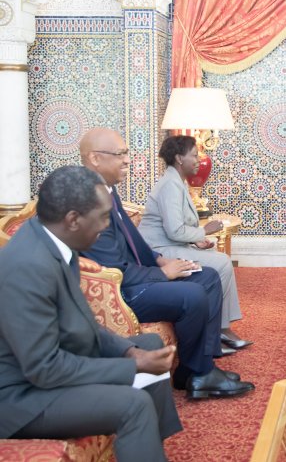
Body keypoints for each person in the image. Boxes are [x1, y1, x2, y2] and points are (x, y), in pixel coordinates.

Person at [0, 166, 181, 461]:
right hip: (20, 398)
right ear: (73, 220)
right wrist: (132, 366)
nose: (107, 225)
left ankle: (148, 448)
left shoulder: (57, 243)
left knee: (149, 344)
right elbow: (44, 368)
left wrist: (131, 353)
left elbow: (84, 321)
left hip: (52, 366)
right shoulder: (27, 268)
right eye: (103, 216)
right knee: (133, 405)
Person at [79, 128, 253, 398]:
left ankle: (195, 370)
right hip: (124, 290)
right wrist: (162, 274)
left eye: (127, 153)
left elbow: (134, 240)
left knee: (207, 277)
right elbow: (115, 269)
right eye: (120, 154)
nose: (127, 160)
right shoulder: (88, 200)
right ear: (95, 158)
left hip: (139, 274)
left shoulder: (108, 191)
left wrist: (160, 259)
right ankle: (200, 373)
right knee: (192, 294)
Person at [138, 135, 251, 350]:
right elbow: (174, 230)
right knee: (222, 263)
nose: (198, 160)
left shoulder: (177, 182)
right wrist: (204, 231)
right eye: (194, 155)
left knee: (219, 258)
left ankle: (220, 328)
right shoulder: (170, 185)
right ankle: (217, 330)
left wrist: (197, 241)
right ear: (179, 158)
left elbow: (176, 228)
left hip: (170, 244)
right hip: (159, 251)